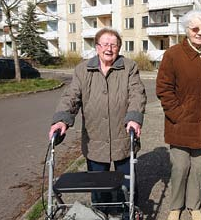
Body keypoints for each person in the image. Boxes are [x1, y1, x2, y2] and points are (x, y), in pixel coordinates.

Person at [48, 27, 147, 215]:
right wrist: (62, 120)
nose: (109, 48)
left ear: (119, 47)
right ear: (97, 47)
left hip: (123, 138)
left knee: (127, 186)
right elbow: (71, 96)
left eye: (114, 45)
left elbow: (137, 94)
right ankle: (101, 214)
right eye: (105, 44)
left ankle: (128, 214)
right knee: (99, 188)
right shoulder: (82, 69)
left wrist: (134, 118)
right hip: (95, 141)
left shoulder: (129, 66)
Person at [156, 10, 201, 220]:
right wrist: (177, 114)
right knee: (180, 167)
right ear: (187, 30)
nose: (200, 32)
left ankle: (194, 205)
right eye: (195, 28)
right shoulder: (172, 54)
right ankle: (175, 206)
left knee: (199, 169)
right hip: (180, 123)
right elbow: (163, 88)